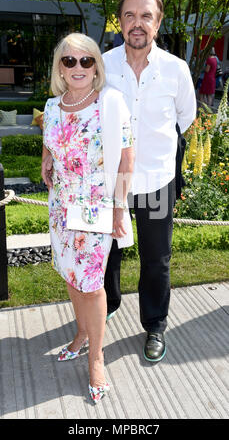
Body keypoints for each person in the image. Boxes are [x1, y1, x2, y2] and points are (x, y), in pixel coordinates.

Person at [103, 0, 196, 362]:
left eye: (146, 16)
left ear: (157, 23)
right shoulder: (102, 64)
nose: (137, 23)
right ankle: (106, 306)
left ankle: (155, 324)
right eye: (130, 15)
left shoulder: (176, 70)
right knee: (108, 250)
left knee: (156, 258)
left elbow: (185, 118)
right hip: (112, 181)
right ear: (121, 22)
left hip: (157, 181)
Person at [42, 32, 134, 403]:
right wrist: (47, 158)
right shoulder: (52, 106)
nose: (78, 67)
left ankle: (96, 357)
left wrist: (118, 207)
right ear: (60, 68)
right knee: (71, 274)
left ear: (96, 66)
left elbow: (126, 160)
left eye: (86, 60)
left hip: (95, 205)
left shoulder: (110, 103)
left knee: (93, 284)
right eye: (69, 61)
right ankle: (81, 335)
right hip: (60, 205)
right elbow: (50, 141)